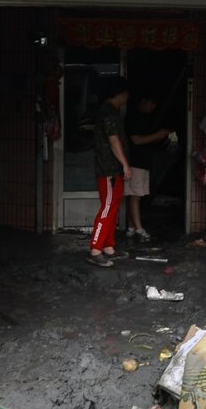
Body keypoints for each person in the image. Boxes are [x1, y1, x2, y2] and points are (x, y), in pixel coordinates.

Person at [88, 77, 130, 267]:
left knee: (112, 207)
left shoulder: (106, 111)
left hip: (110, 169)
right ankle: (96, 248)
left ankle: (108, 247)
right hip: (109, 169)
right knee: (107, 207)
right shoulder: (110, 114)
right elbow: (114, 141)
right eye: (126, 94)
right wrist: (125, 164)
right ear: (120, 94)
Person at [124, 92, 176, 244]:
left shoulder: (146, 118)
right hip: (135, 162)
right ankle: (139, 228)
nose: (153, 108)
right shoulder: (133, 117)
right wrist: (158, 135)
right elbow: (136, 140)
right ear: (144, 101)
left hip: (143, 162)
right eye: (151, 104)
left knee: (136, 195)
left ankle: (132, 227)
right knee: (136, 196)